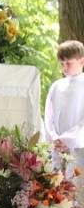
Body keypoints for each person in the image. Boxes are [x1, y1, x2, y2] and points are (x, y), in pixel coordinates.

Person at [43, 40, 84, 186]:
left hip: (78, 148)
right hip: (57, 147)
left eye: (69, 63)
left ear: (81, 61)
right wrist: (54, 138)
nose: (64, 67)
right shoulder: (57, 86)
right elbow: (48, 116)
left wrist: (67, 139)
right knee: (56, 190)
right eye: (62, 63)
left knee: (76, 191)